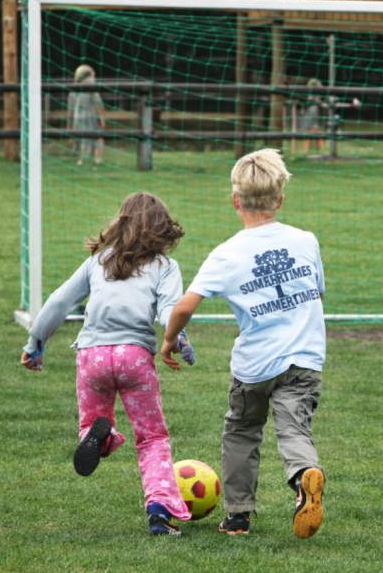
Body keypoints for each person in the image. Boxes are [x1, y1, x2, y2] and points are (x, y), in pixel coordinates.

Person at [160, 148, 326, 540]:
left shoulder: (227, 254)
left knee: (242, 430)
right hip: (305, 357)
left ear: (236, 201)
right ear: (280, 199)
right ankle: (304, 475)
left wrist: (169, 338)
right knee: (294, 429)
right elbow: (317, 295)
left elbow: (184, 306)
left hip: (255, 365)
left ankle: (238, 517)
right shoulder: (306, 241)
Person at [20, 192, 195, 536]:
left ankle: (102, 439)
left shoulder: (98, 262)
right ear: (162, 230)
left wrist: (35, 343)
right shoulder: (165, 267)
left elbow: (59, 301)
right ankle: (159, 512)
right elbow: (171, 309)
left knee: (92, 422)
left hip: (92, 357)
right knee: (151, 438)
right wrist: (178, 339)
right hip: (134, 358)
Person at [67, 64, 105, 166]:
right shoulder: (91, 86)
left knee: (82, 138)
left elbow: (70, 108)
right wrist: (101, 119)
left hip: (77, 117)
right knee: (98, 137)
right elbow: (98, 103)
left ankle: (82, 159)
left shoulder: (73, 89)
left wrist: (70, 123)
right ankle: (96, 158)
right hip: (90, 116)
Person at [301, 78, 326, 154]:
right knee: (311, 131)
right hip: (311, 113)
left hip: (315, 113)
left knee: (316, 131)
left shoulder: (317, 93)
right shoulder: (310, 93)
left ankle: (320, 148)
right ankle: (307, 150)